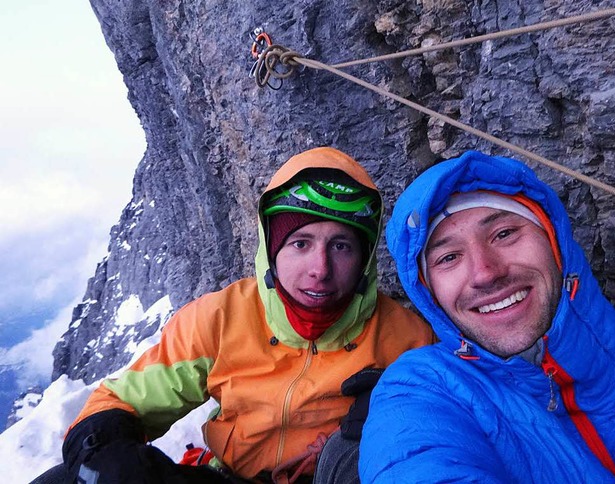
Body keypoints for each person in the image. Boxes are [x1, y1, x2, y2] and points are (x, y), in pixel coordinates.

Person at [48, 147, 435, 484]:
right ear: (272, 249)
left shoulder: (407, 339)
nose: (320, 268)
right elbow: (121, 399)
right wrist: (104, 448)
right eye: (300, 243)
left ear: (364, 260)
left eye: (341, 246)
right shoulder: (221, 318)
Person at [359, 150, 615, 483]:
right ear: (429, 292)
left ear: (554, 241)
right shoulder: (419, 392)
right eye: (448, 257)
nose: (485, 273)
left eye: (504, 234)